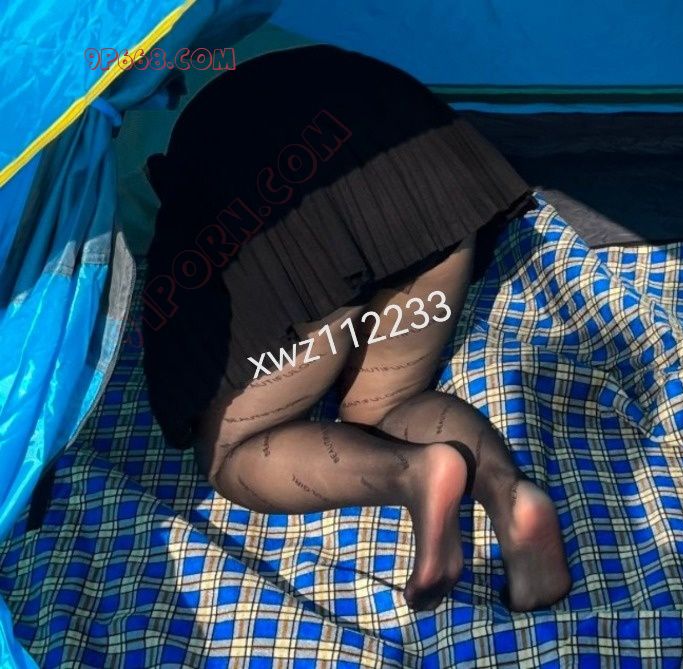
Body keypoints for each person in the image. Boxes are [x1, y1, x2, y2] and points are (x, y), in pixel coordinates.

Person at [141, 44, 572, 612]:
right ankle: (510, 493)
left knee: (230, 456)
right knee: (388, 405)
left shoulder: (194, 144)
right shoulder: (316, 61)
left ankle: (414, 472)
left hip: (295, 229)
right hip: (424, 180)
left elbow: (192, 311)